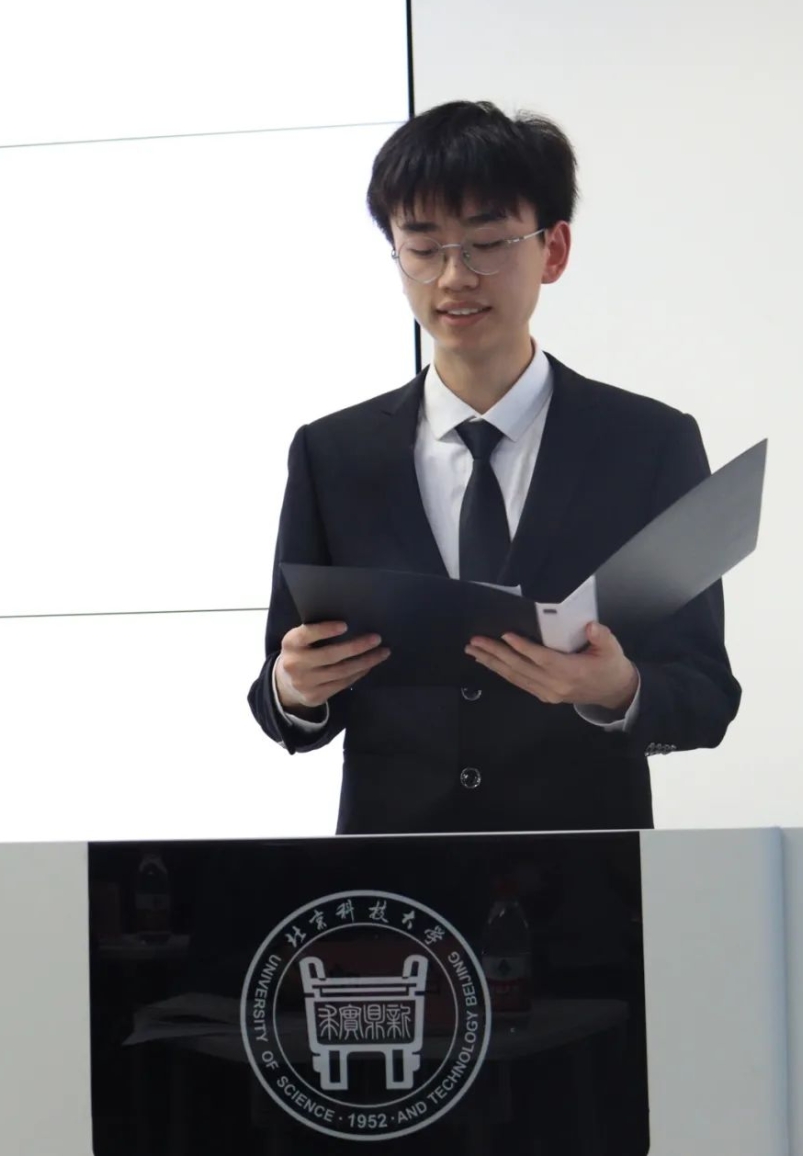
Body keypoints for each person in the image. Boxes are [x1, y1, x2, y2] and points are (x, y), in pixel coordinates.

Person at [248, 100, 741, 835]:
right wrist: (295, 689)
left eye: (487, 243)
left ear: (554, 249)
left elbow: (705, 694)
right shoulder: (332, 454)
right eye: (423, 247)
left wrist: (620, 688)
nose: (454, 276)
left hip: (585, 870)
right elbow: (279, 696)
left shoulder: (649, 444)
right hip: (394, 877)